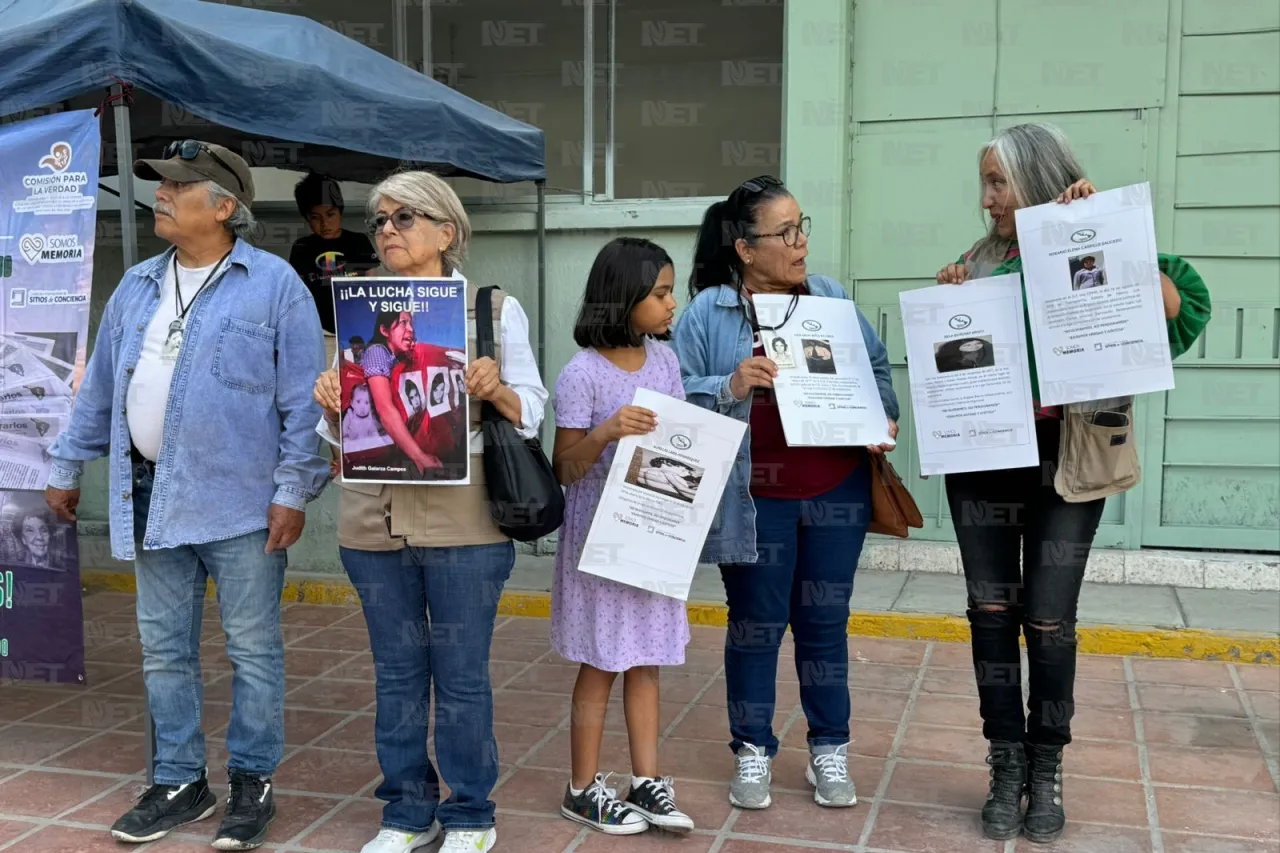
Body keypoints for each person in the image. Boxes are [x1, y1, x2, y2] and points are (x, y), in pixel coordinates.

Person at [44, 141, 328, 849]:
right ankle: (178, 779)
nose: (161, 195)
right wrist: (67, 463)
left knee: (252, 648)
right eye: (160, 184)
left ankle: (252, 782)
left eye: (178, 185)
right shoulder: (139, 284)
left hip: (241, 504)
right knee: (163, 649)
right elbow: (100, 388)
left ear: (225, 206)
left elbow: (303, 404)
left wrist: (294, 489)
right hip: (151, 496)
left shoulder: (273, 285)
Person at [934, 122, 1211, 844]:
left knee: (1048, 619)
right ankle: (1006, 763)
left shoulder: (1091, 232)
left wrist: (1102, 228)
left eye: (997, 181)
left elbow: (1183, 308)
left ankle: (1047, 766)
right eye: (985, 182)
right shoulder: (982, 257)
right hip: (983, 461)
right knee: (991, 611)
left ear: (1037, 176)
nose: (985, 198)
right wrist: (951, 298)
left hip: (1068, 459)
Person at [312, 170, 548, 853]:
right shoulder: (357, 310)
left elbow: (533, 411)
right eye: (379, 219)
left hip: (465, 521)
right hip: (373, 520)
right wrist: (331, 403)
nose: (386, 229)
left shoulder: (492, 312)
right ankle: (407, 809)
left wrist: (497, 387)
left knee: (462, 672)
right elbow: (339, 438)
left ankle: (471, 811)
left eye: (404, 216)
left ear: (449, 231)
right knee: (396, 672)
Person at [672, 175, 899, 811]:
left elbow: (876, 369)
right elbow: (674, 394)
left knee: (825, 623)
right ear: (745, 249)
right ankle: (751, 749)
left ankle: (830, 747)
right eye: (785, 233)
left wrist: (883, 416)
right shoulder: (708, 311)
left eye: (803, 228)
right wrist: (729, 384)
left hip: (836, 488)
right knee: (755, 626)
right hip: (754, 496)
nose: (801, 243)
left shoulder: (828, 298)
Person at [551, 237, 694, 836]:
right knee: (601, 661)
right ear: (622, 296)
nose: (671, 303)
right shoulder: (580, 374)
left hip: (654, 529)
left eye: (670, 291)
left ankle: (647, 781)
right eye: (659, 293)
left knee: (647, 659)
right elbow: (565, 468)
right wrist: (607, 432)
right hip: (599, 540)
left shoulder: (664, 359)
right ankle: (581, 788)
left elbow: (682, 437)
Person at [288, 173, 379, 365]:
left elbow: (372, 286)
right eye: (315, 217)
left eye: (330, 214)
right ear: (306, 218)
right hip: (321, 334)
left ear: (341, 212)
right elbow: (297, 294)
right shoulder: (301, 248)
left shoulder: (358, 242)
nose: (324, 223)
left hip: (358, 330)